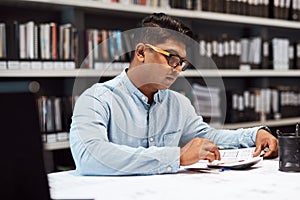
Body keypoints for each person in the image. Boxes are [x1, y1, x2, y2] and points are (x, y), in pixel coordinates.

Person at [70, 13, 278, 176]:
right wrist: (176, 157)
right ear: (141, 52)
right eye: (171, 58)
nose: (177, 69)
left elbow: (209, 137)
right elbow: (90, 156)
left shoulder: (178, 103)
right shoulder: (96, 99)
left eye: (181, 63)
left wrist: (254, 134)